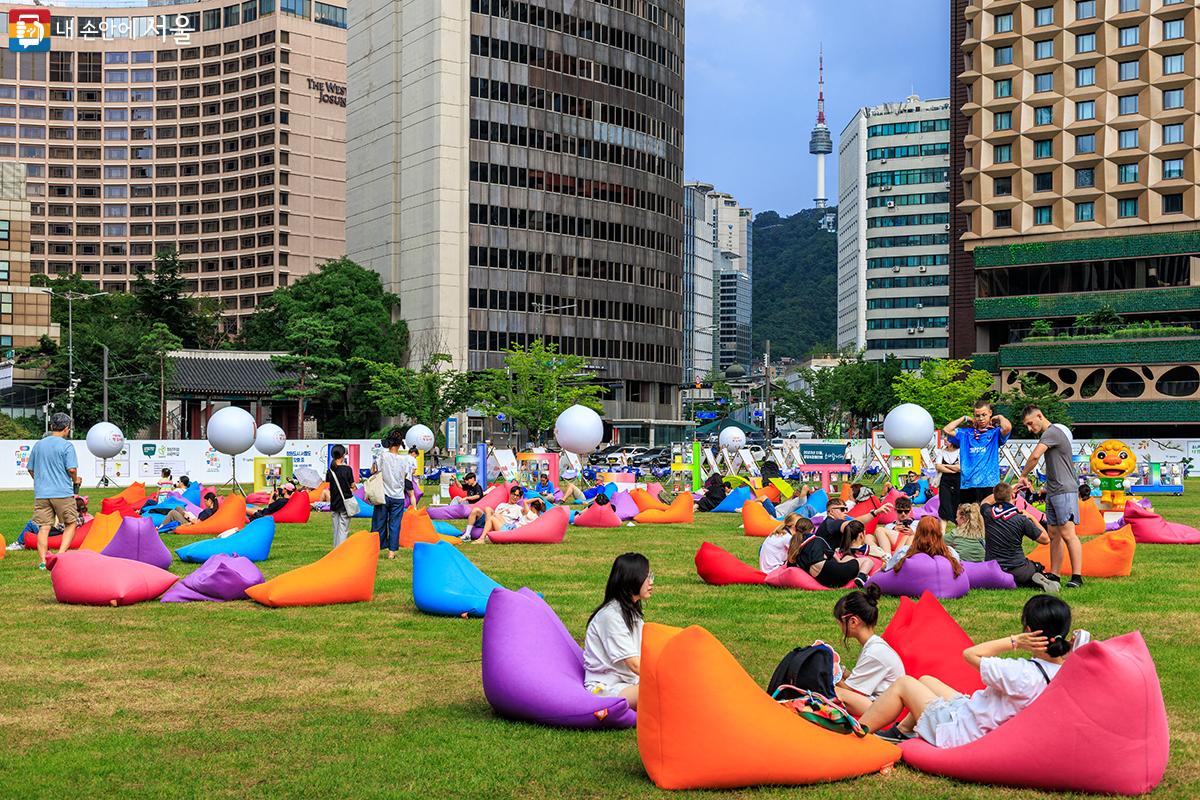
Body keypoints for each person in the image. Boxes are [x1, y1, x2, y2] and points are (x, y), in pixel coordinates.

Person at [861, 595, 1081, 745]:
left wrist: (1015, 641)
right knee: (928, 680)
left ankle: (857, 732)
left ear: (1028, 631)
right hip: (975, 713)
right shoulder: (1068, 670)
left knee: (904, 684)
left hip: (963, 732)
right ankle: (900, 733)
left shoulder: (1020, 673)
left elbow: (970, 654)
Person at [1018, 406, 1083, 589]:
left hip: (1064, 491)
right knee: (1054, 534)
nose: (1030, 429)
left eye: (1030, 423)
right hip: (1054, 491)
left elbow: (1034, 457)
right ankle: (1055, 574)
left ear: (1040, 416)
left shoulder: (1052, 433)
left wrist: (1023, 475)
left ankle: (1077, 576)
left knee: (1068, 534)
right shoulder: (1049, 435)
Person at [583, 552, 654, 711]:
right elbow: (634, 664)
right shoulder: (610, 616)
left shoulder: (631, 613)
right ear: (632, 579)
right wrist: (662, 678)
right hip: (605, 688)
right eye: (647, 577)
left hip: (629, 682)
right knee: (663, 690)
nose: (651, 582)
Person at [832, 585, 905, 716]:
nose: (840, 628)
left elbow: (851, 692)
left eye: (840, 623)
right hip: (882, 703)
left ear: (853, 622)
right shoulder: (874, 646)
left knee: (835, 692)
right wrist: (841, 671)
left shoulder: (875, 653)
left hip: (883, 710)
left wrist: (833, 675)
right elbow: (858, 680)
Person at [28, 413, 82, 569]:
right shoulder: (66, 446)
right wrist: (75, 480)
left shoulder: (39, 445)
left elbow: (31, 469)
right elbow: (71, 469)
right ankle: (60, 555)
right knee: (71, 523)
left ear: (51, 427)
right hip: (62, 493)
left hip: (42, 493)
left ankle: (44, 561)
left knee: (44, 527)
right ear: (67, 428)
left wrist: (41, 481)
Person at [981, 482, 1057, 592]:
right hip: (1017, 568)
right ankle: (1036, 576)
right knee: (1037, 566)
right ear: (1012, 496)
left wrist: (1005, 491)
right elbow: (1045, 539)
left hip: (993, 568)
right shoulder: (1021, 519)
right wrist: (1032, 517)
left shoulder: (987, 512)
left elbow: (985, 501)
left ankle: (1008, 580)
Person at [942, 399, 1013, 506]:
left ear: (990, 413)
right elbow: (947, 429)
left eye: (984, 415)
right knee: (968, 515)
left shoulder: (995, 432)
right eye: (977, 415)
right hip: (968, 482)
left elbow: (1007, 427)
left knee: (987, 515)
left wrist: (1000, 417)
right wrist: (964, 418)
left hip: (989, 482)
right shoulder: (965, 433)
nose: (981, 419)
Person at [787, 518, 875, 589]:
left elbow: (790, 565)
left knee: (848, 559)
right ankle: (862, 576)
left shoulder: (795, 547)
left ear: (795, 529)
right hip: (836, 574)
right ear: (812, 529)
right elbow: (834, 556)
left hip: (824, 580)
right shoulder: (817, 540)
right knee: (867, 561)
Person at [371, 429, 408, 559]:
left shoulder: (383, 456)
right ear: (399, 444)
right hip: (398, 496)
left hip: (384, 494)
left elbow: (374, 471)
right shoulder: (405, 460)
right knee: (395, 523)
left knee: (379, 522)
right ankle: (391, 552)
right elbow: (405, 476)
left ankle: (376, 547)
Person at [886, 515, 963, 575]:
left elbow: (888, 568)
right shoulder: (951, 552)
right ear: (939, 533)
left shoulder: (905, 552)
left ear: (918, 534)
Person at [816, 498, 892, 551]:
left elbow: (855, 522)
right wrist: (876, 512)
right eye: (842, 509)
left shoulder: (829, 523)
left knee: (868, 537)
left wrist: (875, 513)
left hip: (831, 557)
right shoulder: (832, 523)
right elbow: (854, 524)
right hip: (832, 561)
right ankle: (885, 556)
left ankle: (885, 555)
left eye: (846, 509)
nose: (845, 512)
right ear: (831, 511)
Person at [327, 444, 357, 548]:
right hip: (345, 502)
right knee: (343, 528)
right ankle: (340, 550)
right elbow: (352, 485)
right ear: (343, 455)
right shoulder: (347, 469)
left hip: (335, 502)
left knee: (336, 528)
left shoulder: (330, 470)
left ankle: (335, 549)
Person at [476, 498, 546, 542]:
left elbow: (525, 502)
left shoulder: (531, 515)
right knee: (497, 515)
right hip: (510, 527)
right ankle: (488, 535)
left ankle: (482, 538)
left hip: (509, 531)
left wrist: (537, 498)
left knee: (491, 518)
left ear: (533, 507)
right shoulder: (537, 517)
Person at [935, 438, 962, 525]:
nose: (945, 440)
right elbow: (938, 467)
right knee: (944, 503)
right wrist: (952, 470)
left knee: (957, 503)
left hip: (958, 481)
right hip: (945, 481)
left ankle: (958, 527)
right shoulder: (942, 452)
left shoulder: (960, 451)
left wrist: (945, 466)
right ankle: (942, 531)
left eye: (948, 439)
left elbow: (960, 468)